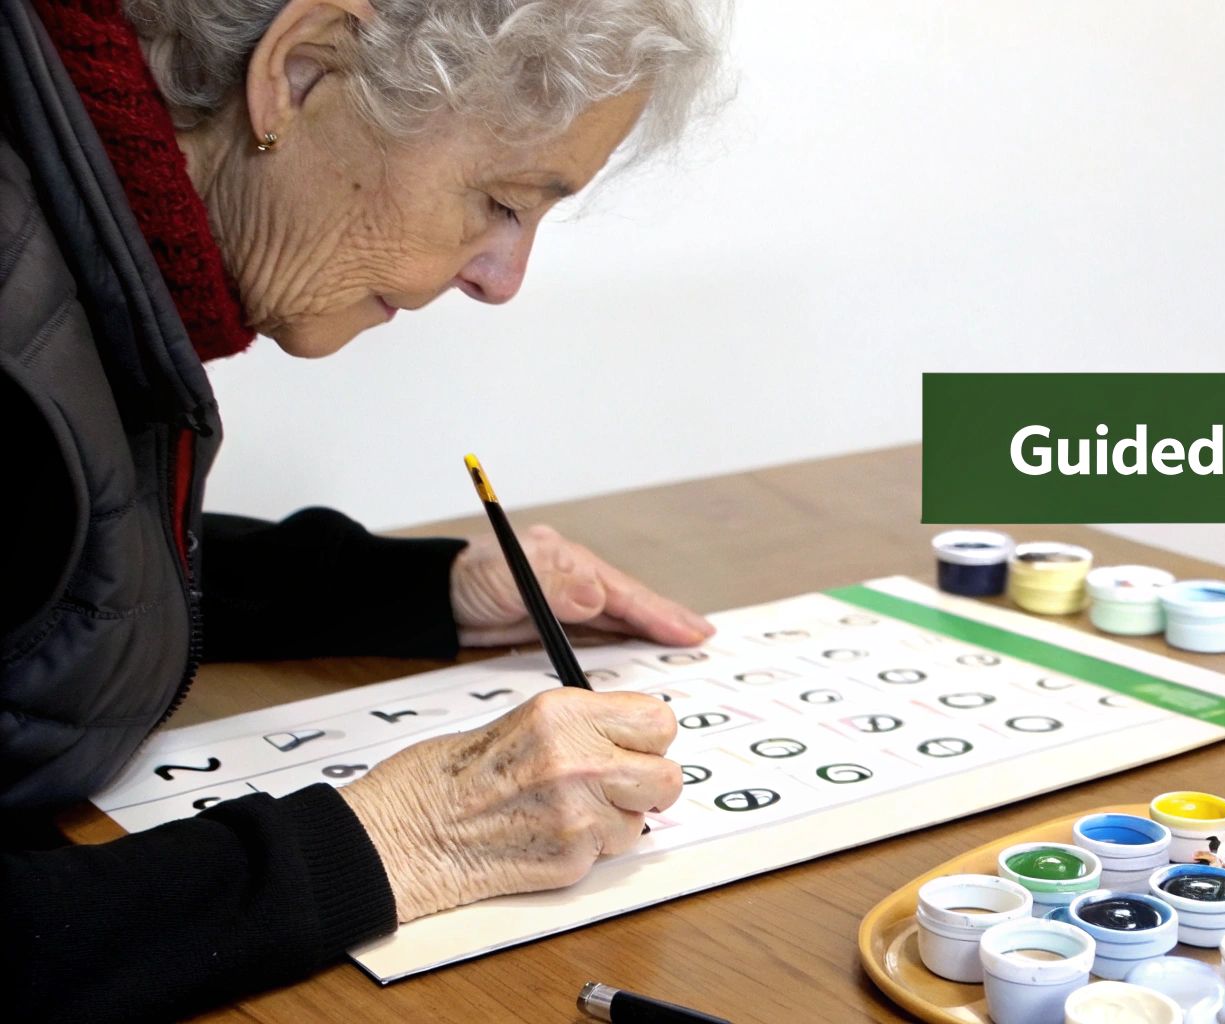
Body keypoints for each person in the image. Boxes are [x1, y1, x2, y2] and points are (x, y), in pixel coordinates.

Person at [0, 0, 724, 1019]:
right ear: (301, 71)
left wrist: (419, 589)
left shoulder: (64, 197)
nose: (501, 279)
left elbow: (61, 554)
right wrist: (397, 838)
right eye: (502, 201)